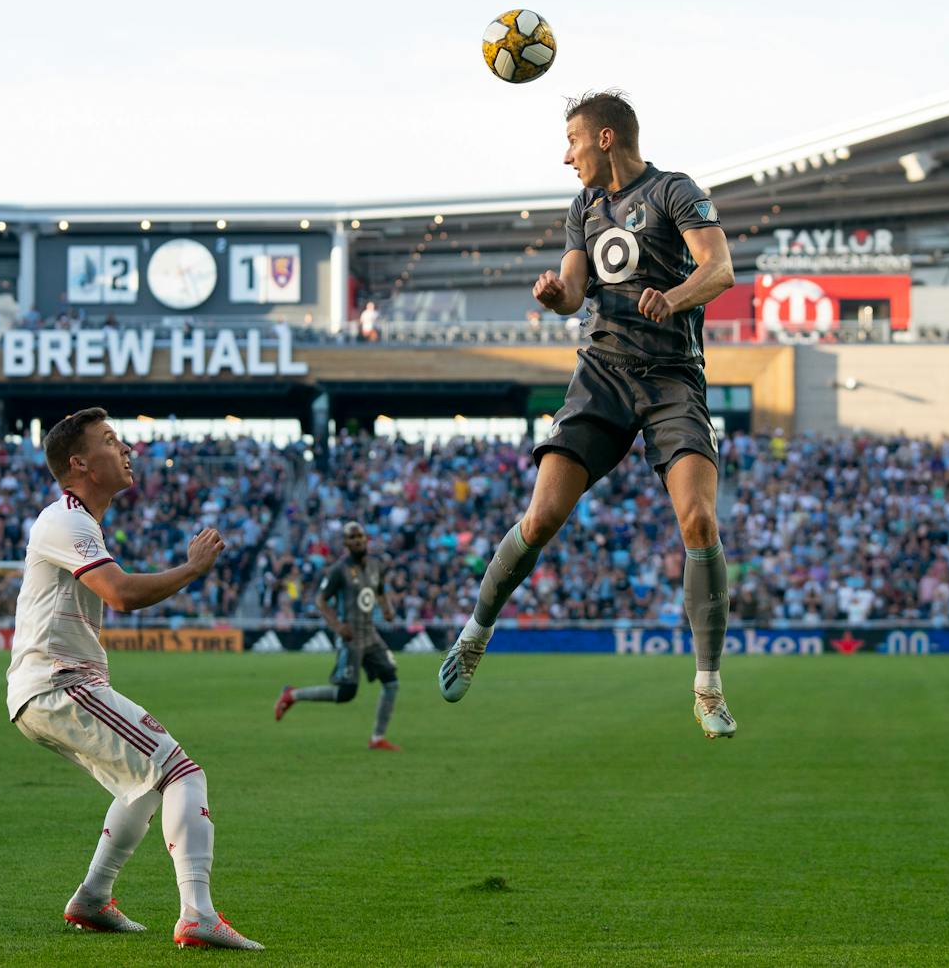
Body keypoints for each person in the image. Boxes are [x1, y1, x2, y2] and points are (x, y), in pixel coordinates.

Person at [438, 89, 739, 739]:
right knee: (542, 516)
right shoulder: (584, 207)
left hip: (670, 381)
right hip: (601, 377)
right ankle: (475, 632)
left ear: (604, 138)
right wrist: (554, 294)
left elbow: (720, 270)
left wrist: (676, 296)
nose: (566, 154)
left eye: (572, 140)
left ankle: (708, 687)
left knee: (698, 517)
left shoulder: (674, 191)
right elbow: (575, 289)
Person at [5, 407, 262, 951]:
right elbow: (121, 594)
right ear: (80, 463)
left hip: (48, 689)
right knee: (181, 771)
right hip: (59, 685)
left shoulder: (79, 522)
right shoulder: (65, 519)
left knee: (143, 787)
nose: (126, 450)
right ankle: (198, 913)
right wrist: (192, 570)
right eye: (111, 441)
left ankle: (93, 899)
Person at [274, 520, 401, 751]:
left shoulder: (376, 565)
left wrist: (387, 609)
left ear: (366, 538)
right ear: (345, 543)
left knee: (391, 682)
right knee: (346, 694)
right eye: (352, 538)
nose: (357, 540)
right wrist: (337, 625)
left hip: (370, 634)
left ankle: (377, 738)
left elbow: (379, 590)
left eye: (360, 536)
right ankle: (293, 694)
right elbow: (320, 601)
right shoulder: (338, 570)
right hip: (351, 637)